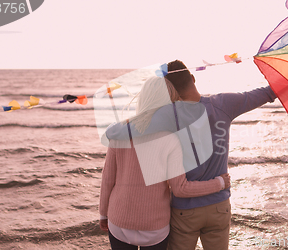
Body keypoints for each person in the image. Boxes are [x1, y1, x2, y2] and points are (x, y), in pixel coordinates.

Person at [105, 60, 277, 250]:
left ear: (168, 91)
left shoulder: (167, 115)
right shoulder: (224, 104)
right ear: (193, 78)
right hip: (219, 205)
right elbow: (268, 93)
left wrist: (114, 132)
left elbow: (130, 129)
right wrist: (286, 81)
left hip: (184, 210)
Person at [99, 76, 231, 250]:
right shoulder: (171, 139)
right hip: (154, 226)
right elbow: (181, 188)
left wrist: (103, 214)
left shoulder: (120, 133)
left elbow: (108, 180)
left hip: (119, 221)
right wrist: (219, 183)